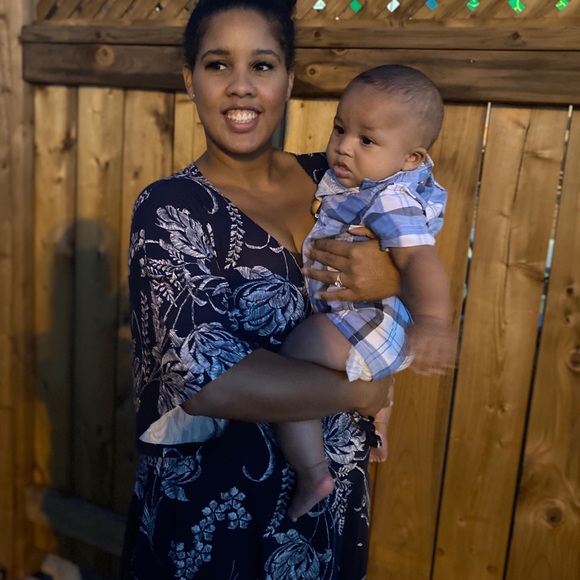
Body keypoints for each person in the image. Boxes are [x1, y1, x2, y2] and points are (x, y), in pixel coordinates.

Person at [121, 1, 401, 578]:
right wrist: (362, 393)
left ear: (289, 80)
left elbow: (412, 258)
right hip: (213, 522)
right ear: (190, 81)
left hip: (330, 511)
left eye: (263, 65)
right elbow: (208, 380)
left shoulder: (339, 182)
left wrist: (390, 278)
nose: (241, 86)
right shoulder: (170, 209)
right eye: (218, 65)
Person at [275, 64, 457, 523]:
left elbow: (419, 260)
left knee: (291, 361)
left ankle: (312, 472)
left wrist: (435, 321)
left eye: (367, 140)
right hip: (370, 324)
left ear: (411, 158)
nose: (344, 146)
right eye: (340, 129)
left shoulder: (391, 199)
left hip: (366, 323)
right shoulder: (366, 185)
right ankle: (380, 413)